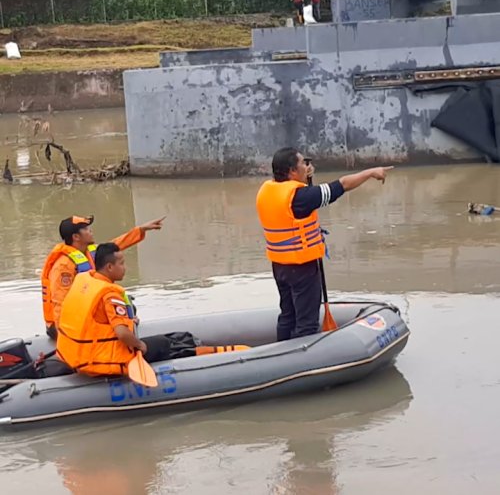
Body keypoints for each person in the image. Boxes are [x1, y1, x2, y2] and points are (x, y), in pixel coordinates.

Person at [256, 147, 393, 341]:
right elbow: (342, 185)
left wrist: (305, 178)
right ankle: (302, 363)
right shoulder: (300, 197)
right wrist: (371, 172)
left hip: (279, 266)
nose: (307, 166)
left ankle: (281, 352)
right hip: (302, 269)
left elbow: (297, 204)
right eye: (303, 163)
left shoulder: (267, 191)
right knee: (307, 323)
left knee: (287, 316)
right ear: (292, 171)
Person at [56, 243, 248, 377]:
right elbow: (121, 333)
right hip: (103, 359)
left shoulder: (86, 280)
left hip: (81, 354)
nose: (125, 268)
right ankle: (214, 353)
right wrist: (139, 345)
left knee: (169, 339)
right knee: (163, 344)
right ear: (109, 266)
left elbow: (99, 320)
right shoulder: (110, 294)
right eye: (121, 264)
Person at [41, 214, 164, 339]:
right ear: (76, 237)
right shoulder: (63, 266)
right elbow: (60, 302)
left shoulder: (88, 252)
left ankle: (123, 326)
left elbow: (115, 246)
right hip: (64, 324)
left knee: (127, 307)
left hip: (84, 311)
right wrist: (65, 336)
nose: (91, 231)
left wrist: (141, 230)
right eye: (86, 229)